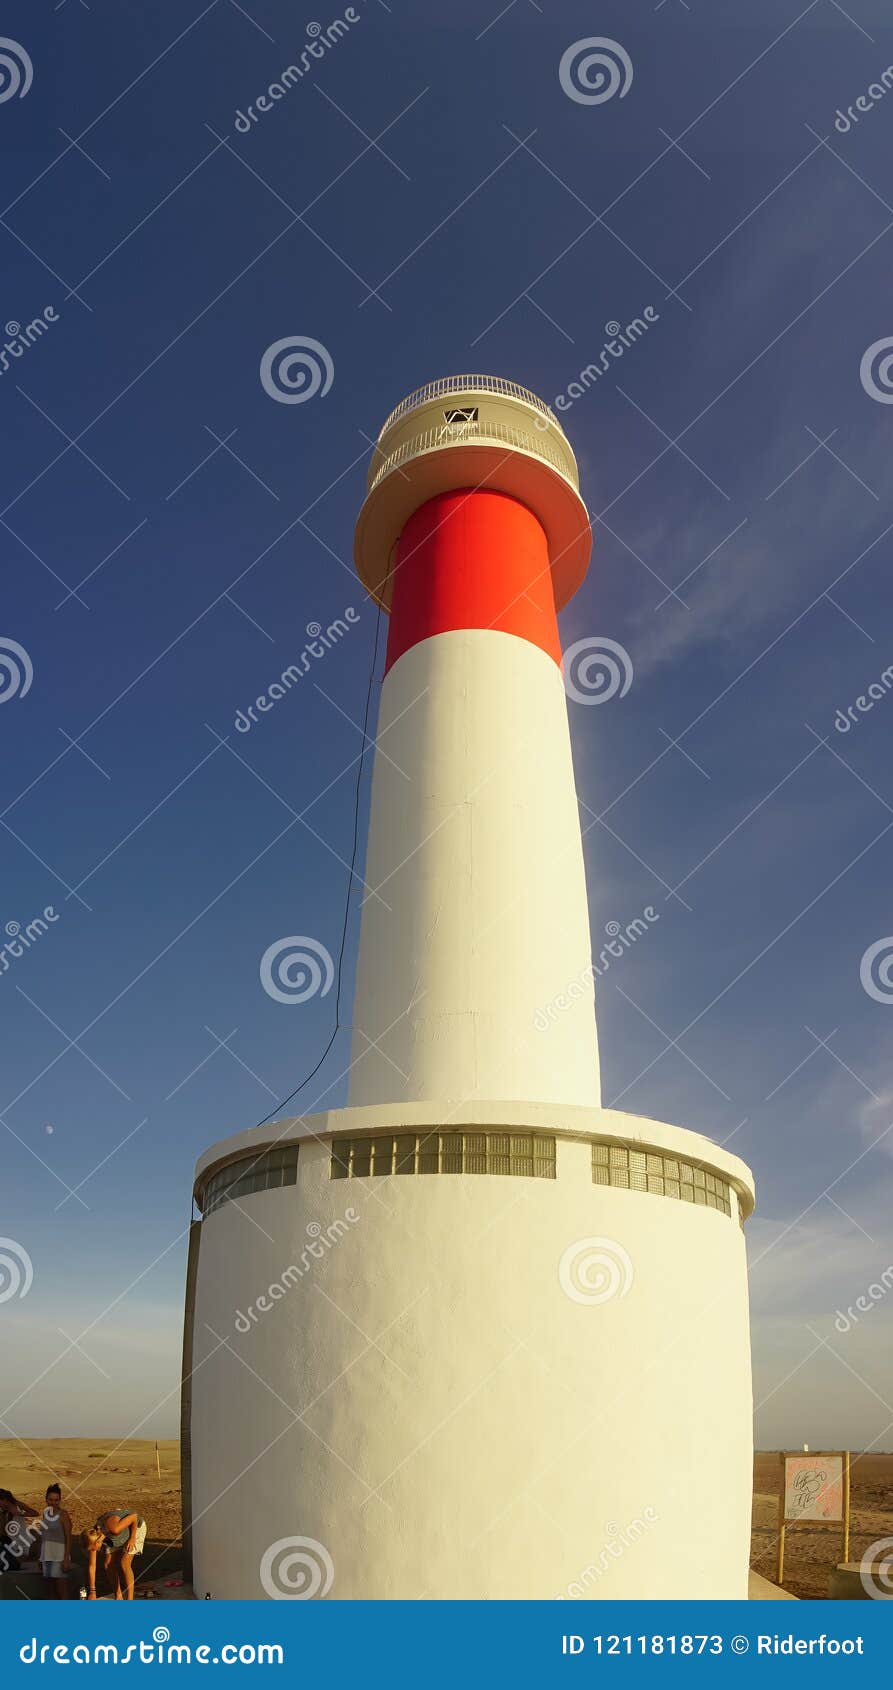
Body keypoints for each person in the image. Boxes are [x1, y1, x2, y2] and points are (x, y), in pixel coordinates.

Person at [82, 1509, 146, 1600]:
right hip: (115, 1537)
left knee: (124, 1562)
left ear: (97, 1542)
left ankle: (130, 1600)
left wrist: (132, 1538)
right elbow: (92, 1566)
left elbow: (134, 1516)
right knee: (108, 1564)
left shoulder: (113, 1528)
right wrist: (92, 1592)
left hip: (136, 1528)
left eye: (92, 1549)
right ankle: (118, 1596)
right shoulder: (93, 1537)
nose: (93, 1551)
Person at [37, 1484, 72, 1598]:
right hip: (47, 1555)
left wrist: (66, 1558)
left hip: (59, 1557)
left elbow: (68, 1537)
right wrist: (40, 1557)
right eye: (51, 1500)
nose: (53, 1502)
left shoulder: (63, 1515)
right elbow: (44, 1537)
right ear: (46, 1499)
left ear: (60, 1500)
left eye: (56, 1500)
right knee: (50, 1591)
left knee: (61, 1590)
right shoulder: (45, 1514)